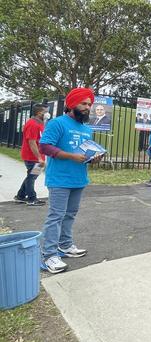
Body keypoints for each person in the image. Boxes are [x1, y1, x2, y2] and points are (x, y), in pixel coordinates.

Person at [39, 87, 102, 274]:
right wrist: (70, 156)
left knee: (70, 214)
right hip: (59, 179)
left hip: (79, 178)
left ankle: (65, 246)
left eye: (89, 104)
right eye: (83, 103)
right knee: (56, 216)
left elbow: (84, 153)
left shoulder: (86, 129)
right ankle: (48, 256)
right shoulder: (57, 123)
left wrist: (94, 158)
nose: (87, 107)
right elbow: (44, 146)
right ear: (71, 104)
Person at [14, 104, 48, 206]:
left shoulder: (40, 123)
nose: (47, 114)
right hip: (32, 157)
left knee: (31, 176)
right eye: (45, 112)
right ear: (39, 113)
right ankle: (32, 199)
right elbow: (32, 142)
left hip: (37, 157)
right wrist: (39, 158)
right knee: (32, 177)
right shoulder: (33, 124)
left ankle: (20, 196)